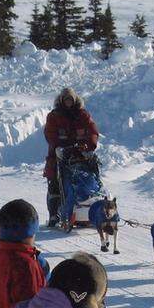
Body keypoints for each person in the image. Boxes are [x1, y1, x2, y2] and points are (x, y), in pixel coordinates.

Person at [43, 88, 99, 227]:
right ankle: (54, 214)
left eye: (70, 99)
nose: (68, 102)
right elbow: (50, 134)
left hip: (81, 154)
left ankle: (89, 206)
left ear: (75, 100)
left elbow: (92, 130)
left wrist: (90, 146)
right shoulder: (54, 116)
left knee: (89, 177)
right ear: (62, 101)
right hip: (59, 155)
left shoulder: (83, 114)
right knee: (55, 182)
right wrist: (57, 148)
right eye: (66, 99)